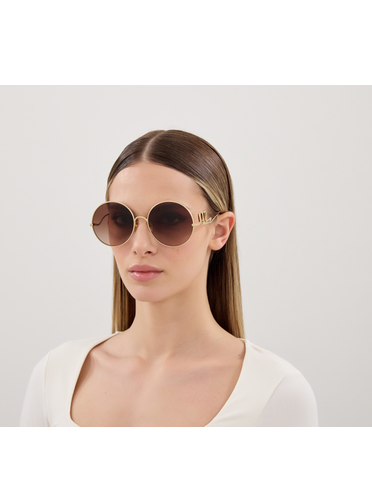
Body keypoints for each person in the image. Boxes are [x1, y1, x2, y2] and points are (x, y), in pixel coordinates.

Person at [20, 129, 318, 427]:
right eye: (121, 219)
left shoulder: (276, 393)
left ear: (219, 230)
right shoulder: (54, 375)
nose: (140, 245)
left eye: (170, 219)